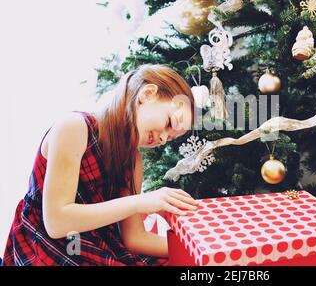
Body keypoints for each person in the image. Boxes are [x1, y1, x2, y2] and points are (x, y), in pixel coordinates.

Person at [2, 64, 198, 266]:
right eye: (169, 123)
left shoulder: (133, 162)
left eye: (171, 137)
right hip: (50, 244)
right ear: (147, 94)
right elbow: (57, 223)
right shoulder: (74, 127)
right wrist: (141, 201)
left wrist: (199, 249)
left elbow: (135, 239)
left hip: (102, 245)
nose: (164, 138)